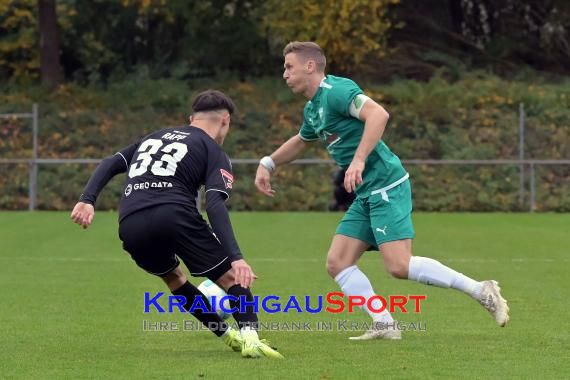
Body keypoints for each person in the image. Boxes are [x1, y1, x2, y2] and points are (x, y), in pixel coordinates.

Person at [254, 41, 509, 340]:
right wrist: (268, 163)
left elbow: (378, 115)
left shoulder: (336, 91)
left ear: (310, 67)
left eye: (289, 67)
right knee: (338, 263)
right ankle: (385, 324)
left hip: (386, 185)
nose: (284, 74)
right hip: (367, 194)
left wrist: (358, 160)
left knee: (398, 266)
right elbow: (301, 140)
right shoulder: (313, 109)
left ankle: (481, 290)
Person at [71, 90, 283, 358]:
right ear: (225, 120)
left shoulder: (152, 137)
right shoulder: (212, 149)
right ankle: (250, 338)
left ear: (191, 118)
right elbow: (215, 203)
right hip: (174, 214)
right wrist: (236, 257)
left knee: (174, 278)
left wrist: (87, 199)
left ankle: (227, 336)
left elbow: (111, 162)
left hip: (130, 220)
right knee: (232, 278)